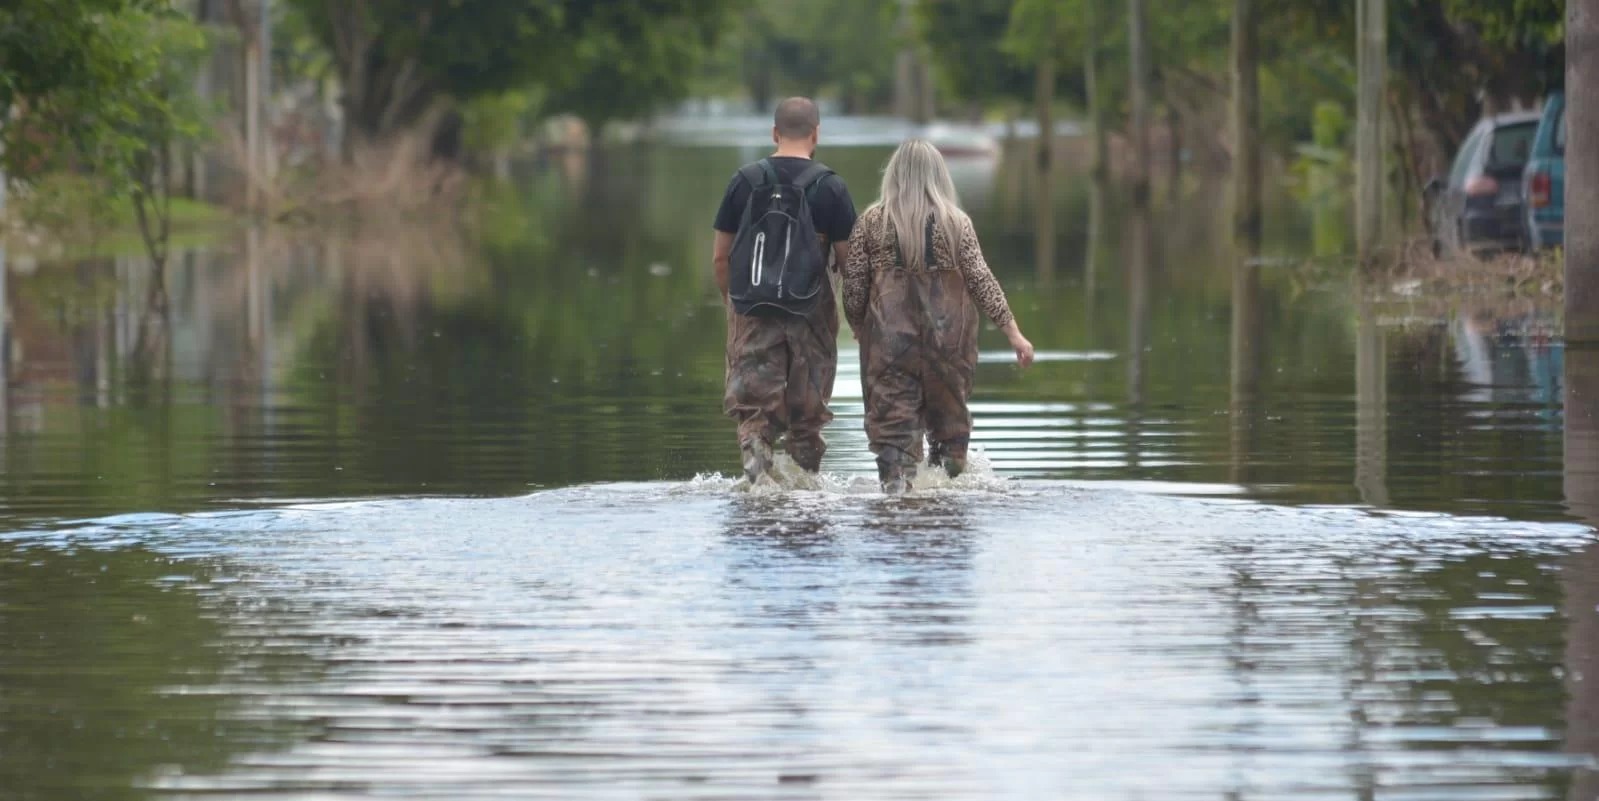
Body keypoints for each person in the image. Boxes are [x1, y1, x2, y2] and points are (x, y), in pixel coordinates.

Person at [843, 139, 1035, 493]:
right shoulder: (955, 223)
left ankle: (899, 498)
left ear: (894, 175)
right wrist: (1014, 333)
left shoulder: (872, 222)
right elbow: (981, 280)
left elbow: (854, 286)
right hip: (949, 349)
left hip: (890, 348)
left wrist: (860, 328)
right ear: (938, 176)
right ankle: (944, 505)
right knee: (950, 438)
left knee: (893, 441)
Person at [713, 98, 858, 484]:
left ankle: (757, 464)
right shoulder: (831, 188)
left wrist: (734, 307)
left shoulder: (743, 182)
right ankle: (804, 486)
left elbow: (720, 258)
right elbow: (851, 265)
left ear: (775, 133)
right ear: (816, 134)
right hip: (811, 316)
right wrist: (859, 319)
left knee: (754, 412)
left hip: (752, 311)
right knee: (807, 417)